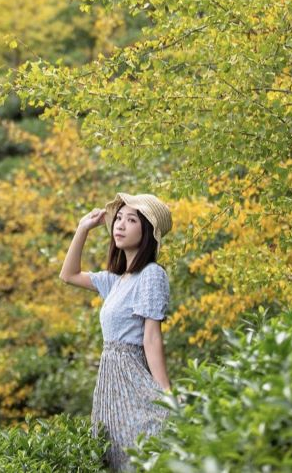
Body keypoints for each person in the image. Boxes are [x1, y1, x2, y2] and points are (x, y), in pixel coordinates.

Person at [59, 192, 174, 471]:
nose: (120, 225)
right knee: (111, 458)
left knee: (140, 458)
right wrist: (82, 228)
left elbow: (151, 337)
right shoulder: (116, 281)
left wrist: (166, 393)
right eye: (118, 219)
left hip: (132, 381)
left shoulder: (151, 274)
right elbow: (68, 275)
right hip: (109, 386)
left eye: (131, 220)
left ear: (146, 231)